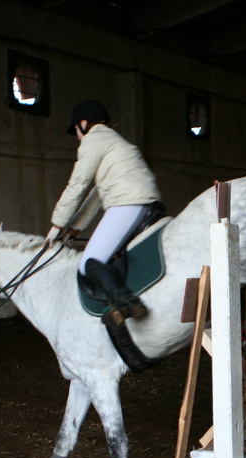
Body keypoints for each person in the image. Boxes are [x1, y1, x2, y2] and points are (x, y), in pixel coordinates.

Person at [46, 100, 162, 326]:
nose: (77, 136)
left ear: (83, 123)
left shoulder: (93, 140)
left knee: (89, 262)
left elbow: (77, 185)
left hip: (127, 204)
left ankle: (125, 301)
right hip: (149, 203)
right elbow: (96, 195)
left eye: (76, 130)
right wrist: (75, 228)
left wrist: (56, 226)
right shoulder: (114, 141)